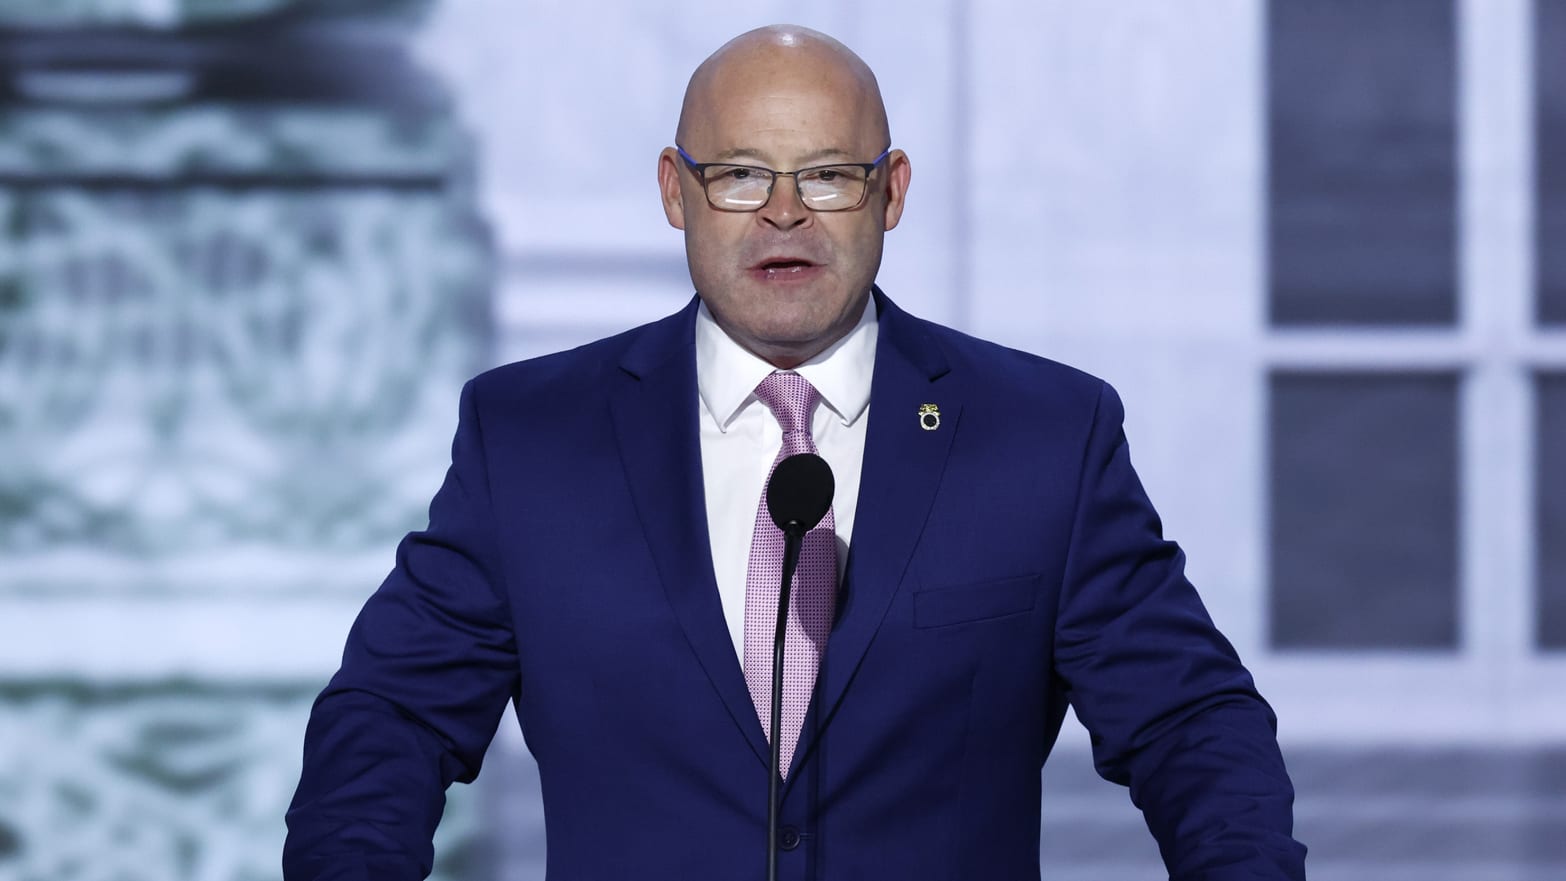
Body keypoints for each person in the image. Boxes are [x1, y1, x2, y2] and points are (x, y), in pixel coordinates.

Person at [284, 24, 1307, 881]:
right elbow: (392, 715)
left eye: (826, 174)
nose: (784, 212)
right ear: (674, 191)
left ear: (891, 191)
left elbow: (1189, 722)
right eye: (738, 176)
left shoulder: (1043, 436)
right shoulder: (531, 438)